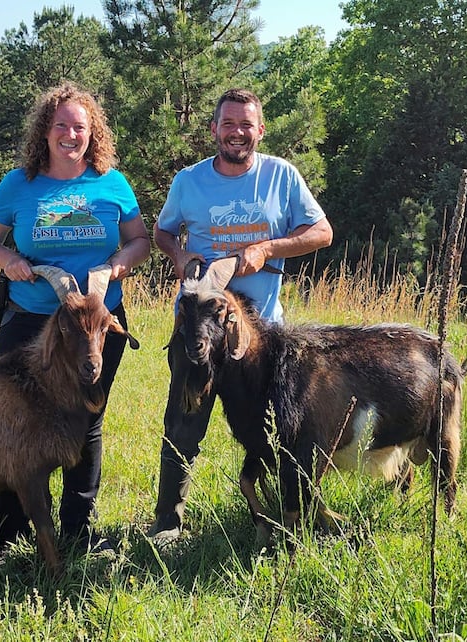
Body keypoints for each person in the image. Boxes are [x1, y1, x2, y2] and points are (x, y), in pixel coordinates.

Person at [0, 82, 150, 555]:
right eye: (62, 126)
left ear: (94, 133)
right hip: (31, 321)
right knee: (16, 422)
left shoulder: (112, 181)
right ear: (45, 132)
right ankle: (8, 535)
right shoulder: (19, 184)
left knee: (85, 421)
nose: (72, 135)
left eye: (81, 127)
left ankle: (77, 530)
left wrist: (119, 264)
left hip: (95, 326)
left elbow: (140, 241)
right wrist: (8, 260)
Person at [148, 88, 333, 545]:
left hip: (263, 337)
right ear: (214, 129)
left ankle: (279, 511)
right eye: (228, 124)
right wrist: (180, 254)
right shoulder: (188, 181)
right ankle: (168, 523)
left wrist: (268, 248)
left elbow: (322, 232)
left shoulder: (282, 176)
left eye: (246, 125)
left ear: (260, 130)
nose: (237, 133)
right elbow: (162, 232)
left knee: (273, 427)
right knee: (185, 423)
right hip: (198, 330)